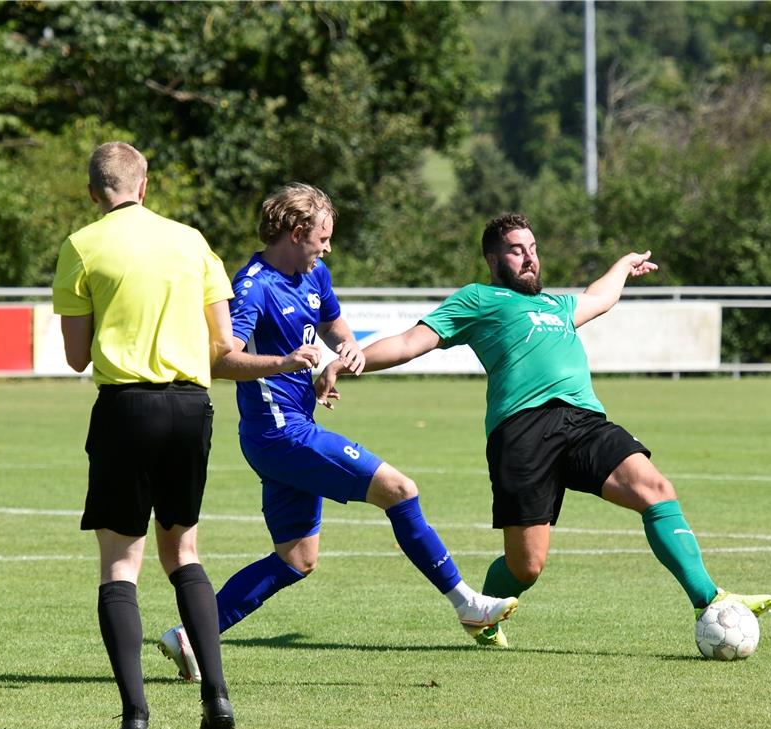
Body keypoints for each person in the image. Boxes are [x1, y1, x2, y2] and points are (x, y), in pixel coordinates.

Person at [316, 212, 771, 649]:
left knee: (655, 489)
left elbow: (600, 297)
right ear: (495, 261)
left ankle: (710, 598)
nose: (530, 257)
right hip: (521, 431)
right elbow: (410, 342)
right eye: (517, 251)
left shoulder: (557, 305)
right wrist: (351, 360)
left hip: (584, 421)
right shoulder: (478, 298)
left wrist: (623, 264)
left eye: (533, 248)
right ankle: (482, 615)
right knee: (527, 566)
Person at [157, 184, 517, 682]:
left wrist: (343, 355)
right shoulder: (252, 286)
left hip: (292, 429)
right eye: (322, 238)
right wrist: (281, 363)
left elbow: (337, 330)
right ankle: (468, 604)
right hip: (279, 434)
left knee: (297, 559)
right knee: (400, 489)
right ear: (297, 232)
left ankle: (190, 636)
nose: (328, 248)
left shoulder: (315, 273)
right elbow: (219, 361)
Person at [52, 142, 236, 729]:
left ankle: (136, 715)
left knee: (119, 565)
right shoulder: (192, 241)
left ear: (92, 193)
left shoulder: (82, 244)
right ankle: (217, 697)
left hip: (125, 409)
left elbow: (78, 357)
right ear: (145, 184)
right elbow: (222, 343)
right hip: (189, 406)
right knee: (184, 554)